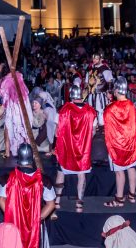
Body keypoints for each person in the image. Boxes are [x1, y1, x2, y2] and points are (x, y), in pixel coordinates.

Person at [0, 143, 56, 248]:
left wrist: (13, 216)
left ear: (18, 157)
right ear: (32, 157)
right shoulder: (44, 180)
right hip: (34, 227)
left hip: (13, 224)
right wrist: (37, 218)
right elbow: (51, 204)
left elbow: (1, 200)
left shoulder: (7, 178)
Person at [54, 84, 97, 214]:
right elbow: (93, 132)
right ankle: (79, 205)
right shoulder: (91, 111)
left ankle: (57, 202)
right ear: (81, 96)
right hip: (83, 151)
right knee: (81, 176)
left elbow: (57, 132)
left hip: (66, 150)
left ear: (71, 95)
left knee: (61, 174)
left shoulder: (63, 110)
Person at [103, 78, 136, 206]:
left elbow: (105, 125)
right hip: (130, 144)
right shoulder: (131, 105)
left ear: (116, 90)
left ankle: (119, 200)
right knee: (131, 168)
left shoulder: (110, 108)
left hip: (117, 145)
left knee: (119, 172)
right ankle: (132, 195)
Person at [0, 64, 32, 158]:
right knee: (16, 126)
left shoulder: (6, 81)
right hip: (21, 103)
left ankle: (18, 150)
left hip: (15, 105)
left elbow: (3, 95)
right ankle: (15, 150)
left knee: (13, 126)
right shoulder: (17, 76)